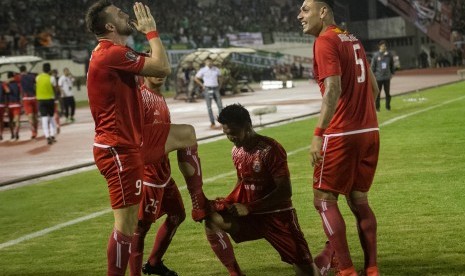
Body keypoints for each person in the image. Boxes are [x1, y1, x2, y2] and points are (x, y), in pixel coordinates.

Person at [86, 2, 209, 275]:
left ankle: (198, 199)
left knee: (186, 133)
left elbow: (156, 70)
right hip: (118, 149)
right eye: (119, 14)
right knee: (126, 226)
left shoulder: (117, 53)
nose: (125, 15)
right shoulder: (109, 53)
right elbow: (162, 67)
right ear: (108, 26)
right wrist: (151, 32)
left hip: (135, 140)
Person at [298, 1, 380, 276]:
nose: (300, 15)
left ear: (323, 11)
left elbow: (333, 88)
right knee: (359, 200)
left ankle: (345, 270)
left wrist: (318, 134)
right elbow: (375, 88)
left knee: (323, 200)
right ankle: (371, 269)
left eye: (305, 9)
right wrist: (361, 116)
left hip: (341, 133)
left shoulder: (325, 41)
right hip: (369, 132)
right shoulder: (353, 39)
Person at [205, 103, 319, 276]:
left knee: (309, 273)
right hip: (251, 218)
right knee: (212, 220)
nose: (231, 138)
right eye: (226, 134)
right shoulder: (236, 151)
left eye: (234, 133)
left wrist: (249, 207)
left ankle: (328, 255)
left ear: (248, 125)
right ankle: (235, 273)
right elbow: (242, 180)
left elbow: (285, 191)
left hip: (278, 217)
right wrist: (228, 200)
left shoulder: (270, 149)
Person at [129, 76, 185, 276]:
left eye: (162, 69)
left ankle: (153, 263)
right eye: (154, 69)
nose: (160, 73)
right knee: (140, 227)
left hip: (164, 171)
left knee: (178, 214)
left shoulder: (159, 97)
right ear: (144, 73)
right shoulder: (140, 98)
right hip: (148, 173)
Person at [195, 57, 223, 129]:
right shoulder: (203, 70)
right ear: (205, 62)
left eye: (210, 61)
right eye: (207, 62)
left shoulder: (216, 69)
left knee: (220, 106)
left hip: (215, 88)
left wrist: (220, 85)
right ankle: (212, 123)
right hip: (207, 88)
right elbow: (196, 78)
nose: (209, 63)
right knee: (209, 107)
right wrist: (202, 85)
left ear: (212, 62)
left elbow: (221, 77)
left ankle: (222, 122)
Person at [36, 62, 58, 145]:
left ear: (42, 69)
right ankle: (52, 134)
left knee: (44, 119)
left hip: (41, 100)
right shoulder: (51, 78)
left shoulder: (38, 77)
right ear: (49, 70)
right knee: (51, 117)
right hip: (50, 99)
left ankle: (47, 136)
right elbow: (55, 89)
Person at [371, 40, 395, 111]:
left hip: (387, 77)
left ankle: (388, 107)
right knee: (378, 93)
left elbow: (392, 65)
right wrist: (374, 75)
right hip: (378, 78)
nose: (384, 47)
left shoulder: (389, 55)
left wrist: (392, 73)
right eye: (382, 46)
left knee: (387, 93)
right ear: (379, 46)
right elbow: (373, 67)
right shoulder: (376, 55)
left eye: (385, 46)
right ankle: (377, 108)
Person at [19, 65, 39, 139]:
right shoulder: (32, 76)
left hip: (26, 98)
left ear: (20, 71)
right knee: (35, 116)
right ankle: (35, 131)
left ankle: (33, 133)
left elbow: (9, 80)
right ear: (26, 70)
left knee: (30, 117)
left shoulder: (18, 77)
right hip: (34, 97)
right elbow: (37, 81)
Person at [4, 72, 22, 140]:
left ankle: (12, 134)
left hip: (9, 105)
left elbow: (7, 92)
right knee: (17, 120)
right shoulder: (18, 84)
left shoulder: (6, 84)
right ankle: (16, 133)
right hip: (17, 104)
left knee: (11, 120)